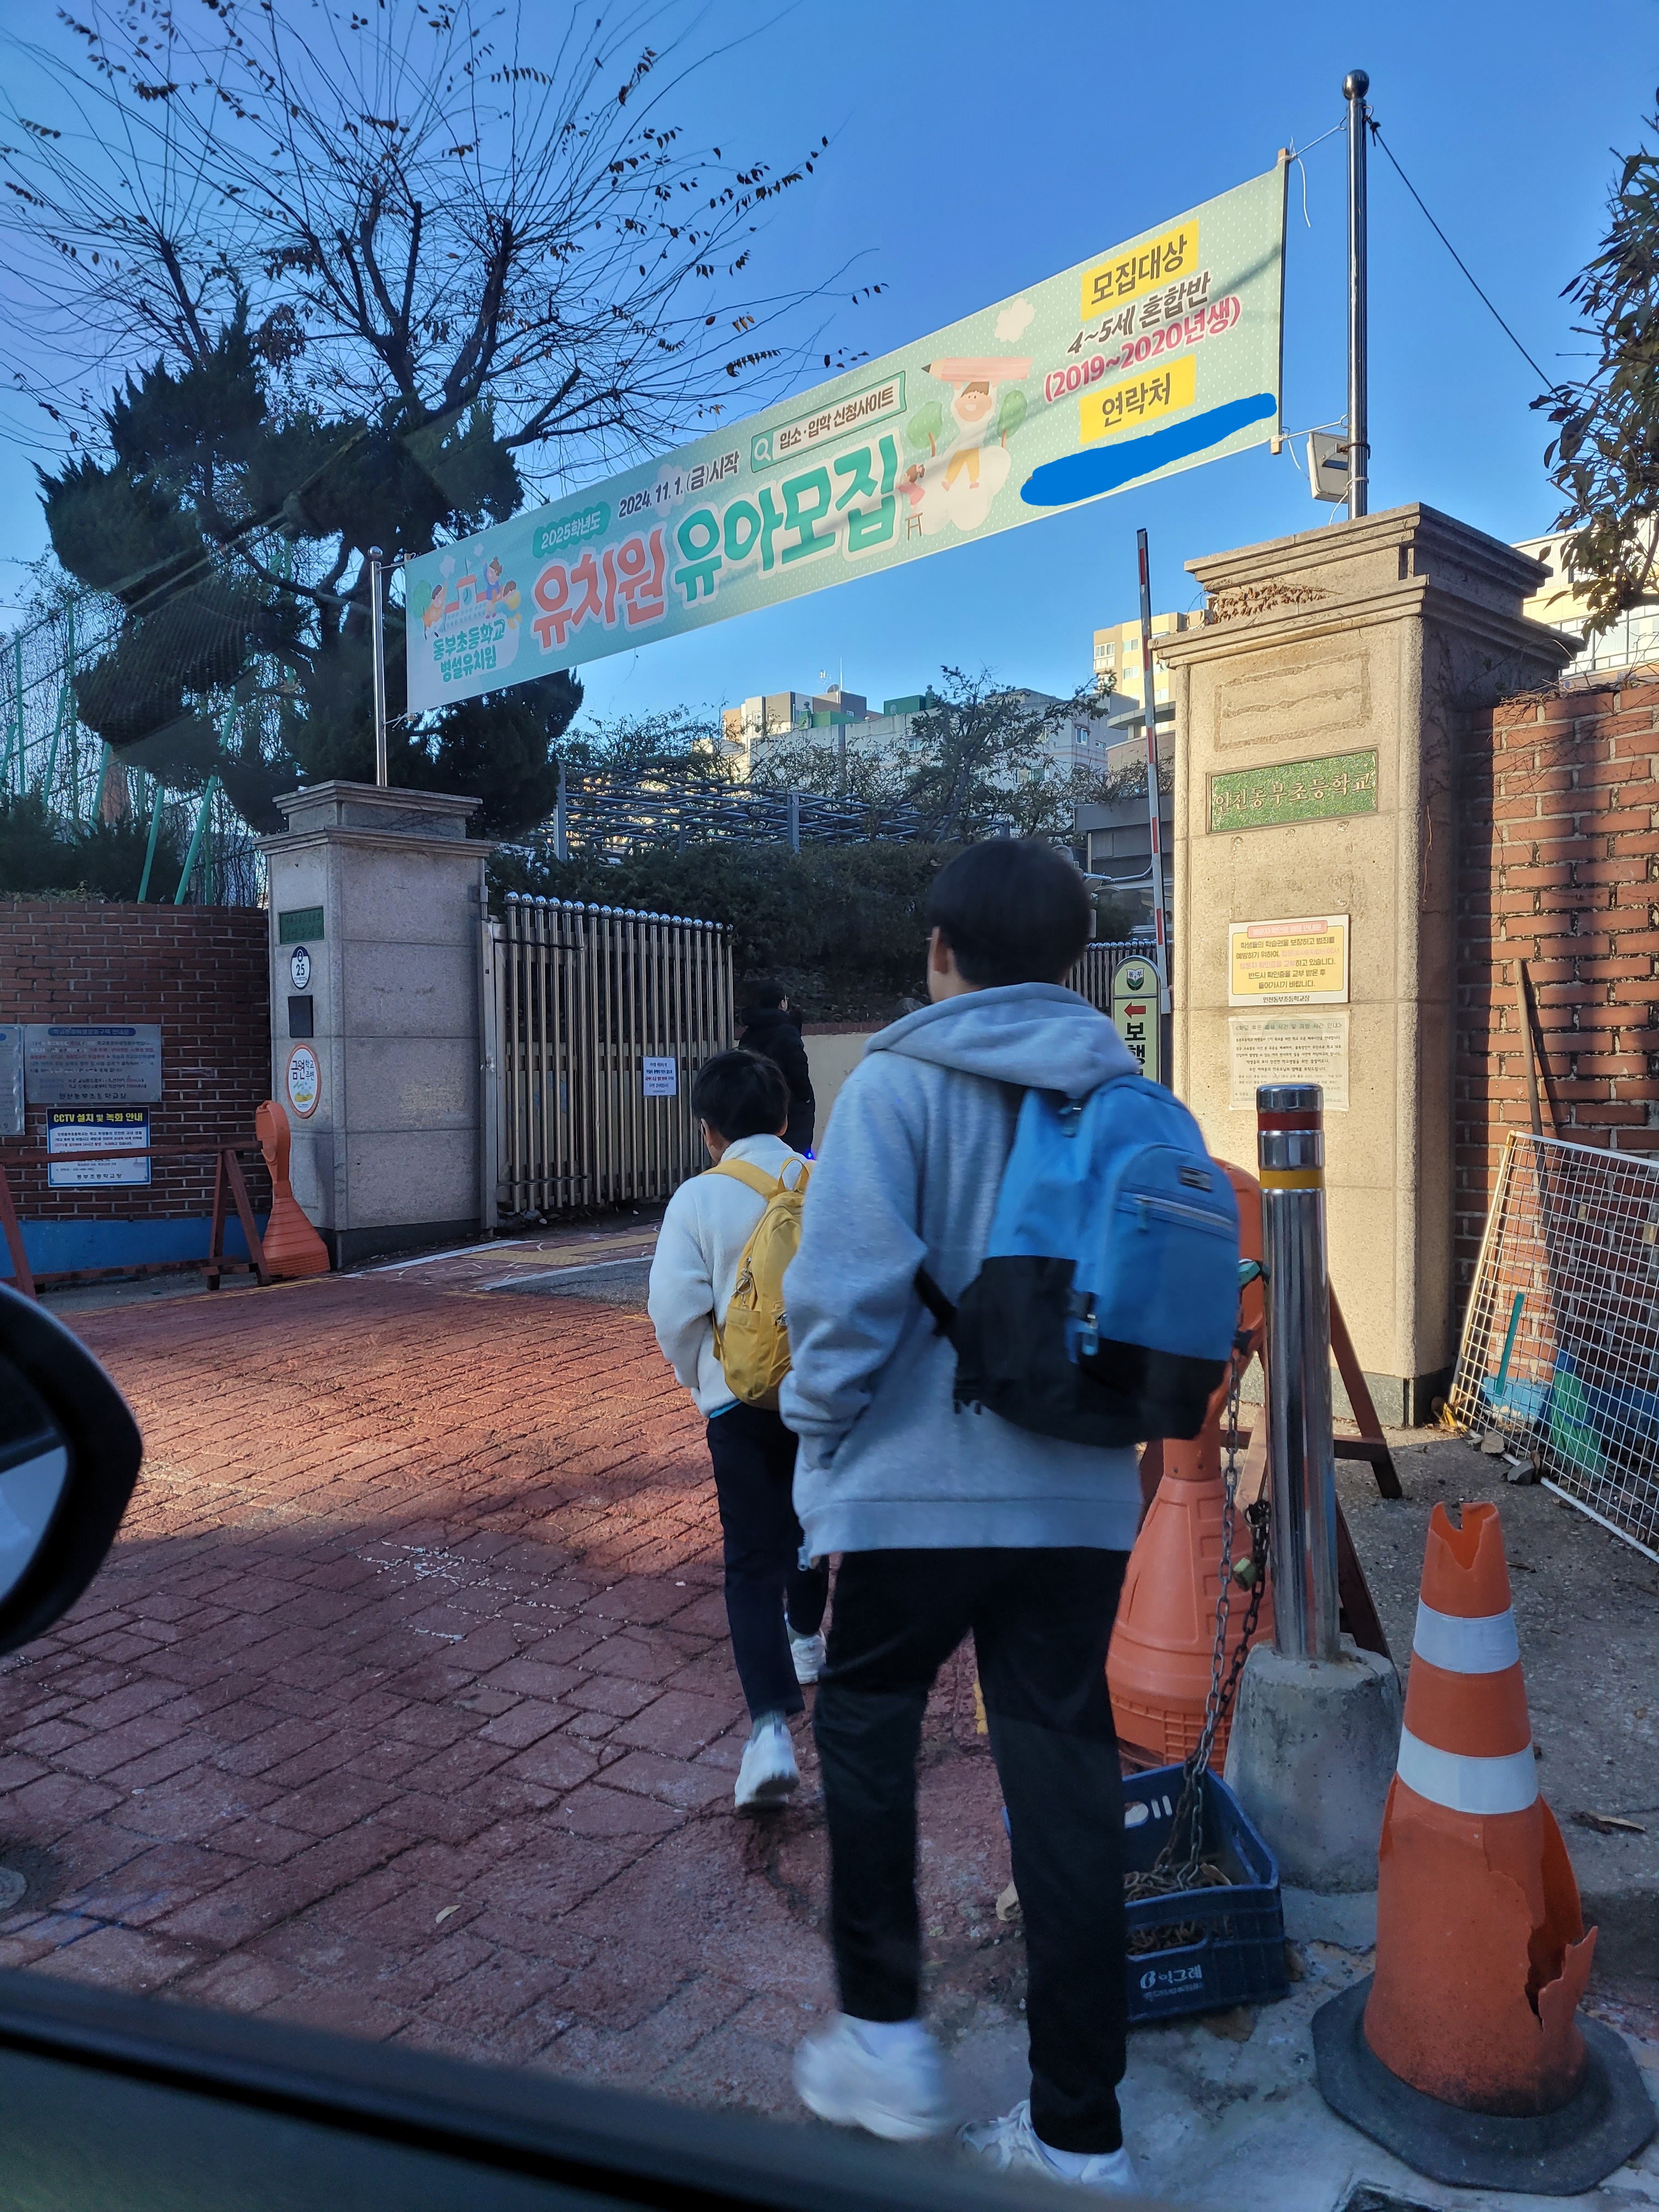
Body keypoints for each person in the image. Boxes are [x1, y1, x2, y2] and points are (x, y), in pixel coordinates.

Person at [781, 840, 1144, 2192]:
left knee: (867, 1725)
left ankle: (885, 2041)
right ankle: (1081, 2137)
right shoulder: (1124, 1091)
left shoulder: (895, 1085)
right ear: (1071, 961)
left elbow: (843, 1301)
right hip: (1079, 1500)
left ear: (940, 952)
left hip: (914, 1493)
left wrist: (815, 1435)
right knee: (1064, 1779)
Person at [647, 1048, 830, 1812]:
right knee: (810, 1524)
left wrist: (705, 1381)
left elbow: (673, 1312)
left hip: (738, 1406)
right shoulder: (822, 1182)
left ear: (708, 1131)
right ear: (784, 1119)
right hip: (819, 1396)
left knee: (751, 1559)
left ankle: (769, 1733)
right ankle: (808, 1638)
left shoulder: (698, 1198)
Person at [737, 981, 815, 1155]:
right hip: (789, 1109)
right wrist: (806, 1099)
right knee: (793, 1160)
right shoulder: (787, 1032)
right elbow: (799, 1072)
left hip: (756, 1107)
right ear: (782, 1003)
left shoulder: (748, 1035)